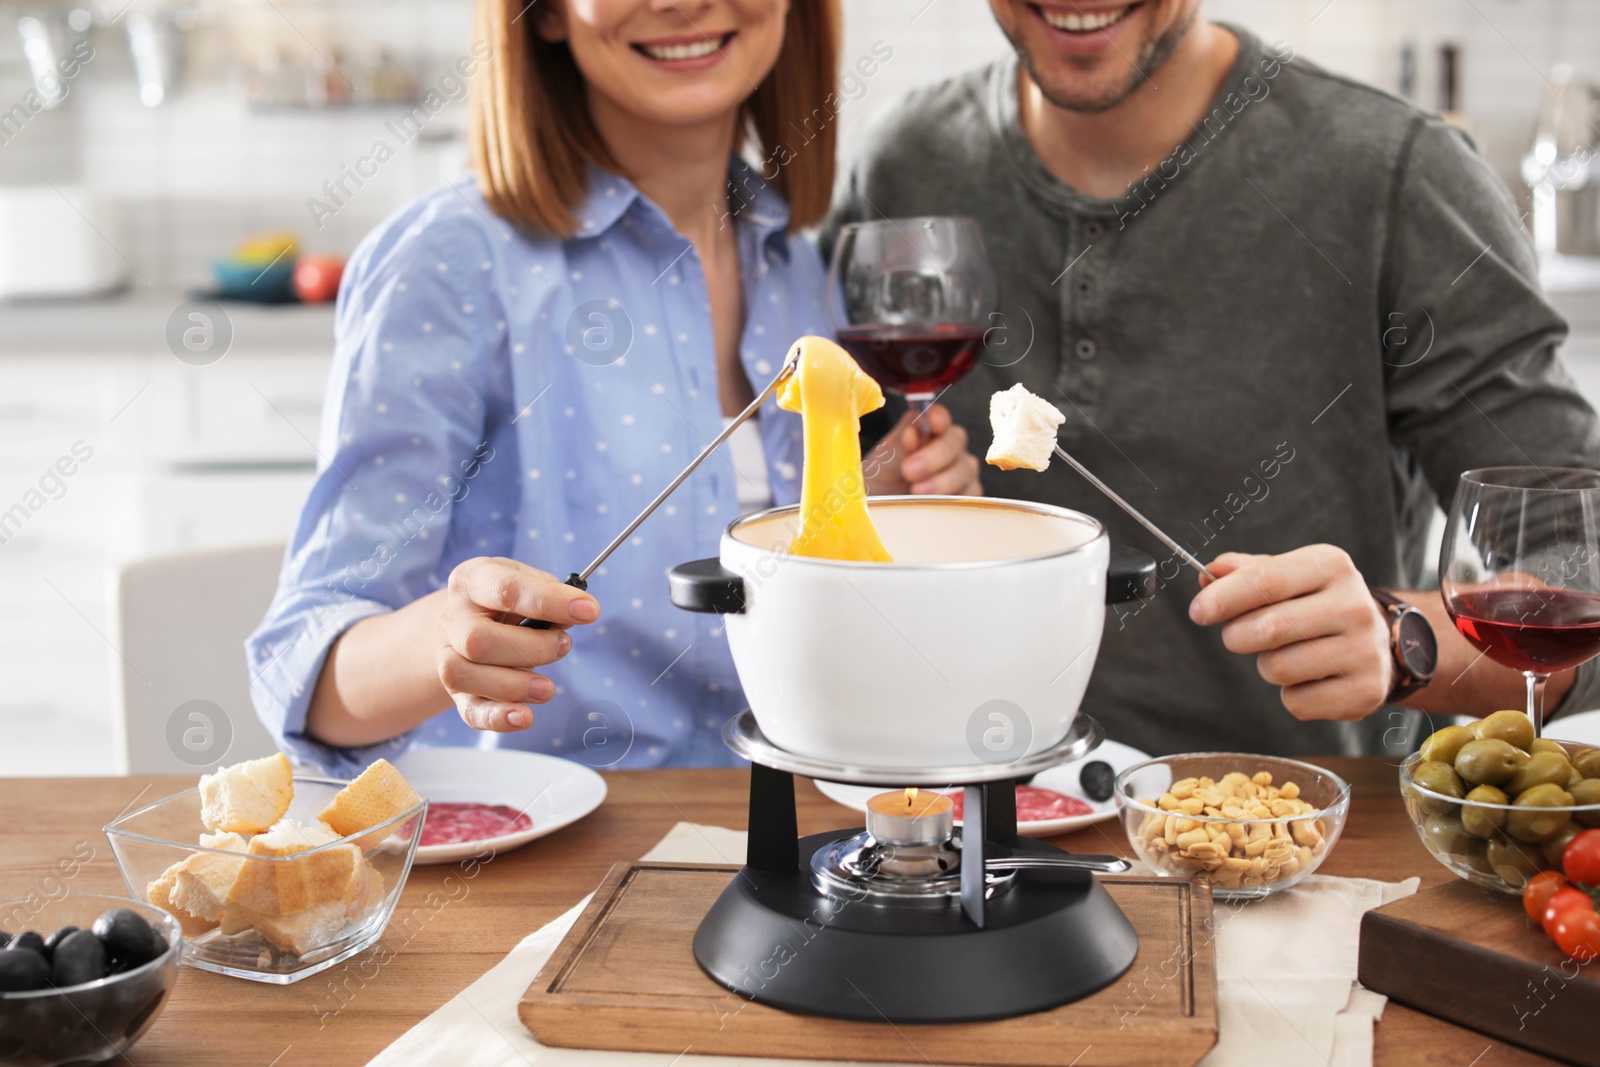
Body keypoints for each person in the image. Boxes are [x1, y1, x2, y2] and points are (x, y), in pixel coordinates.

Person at [826, 0, 1600, 758]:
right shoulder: (902, 161)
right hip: (953, 821)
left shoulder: (1397, 176)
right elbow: (826, 505)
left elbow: (1584, 566)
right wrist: (873, 496)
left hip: (1282, 845)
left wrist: (1405, 638)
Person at [247, 0, 983, 775]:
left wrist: (886, 500)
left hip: (780, 840)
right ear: (546, 16)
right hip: (541, 861)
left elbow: (812, 619)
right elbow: (304, 671)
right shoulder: (449, 263)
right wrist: (443, 639)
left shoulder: (802, 271)